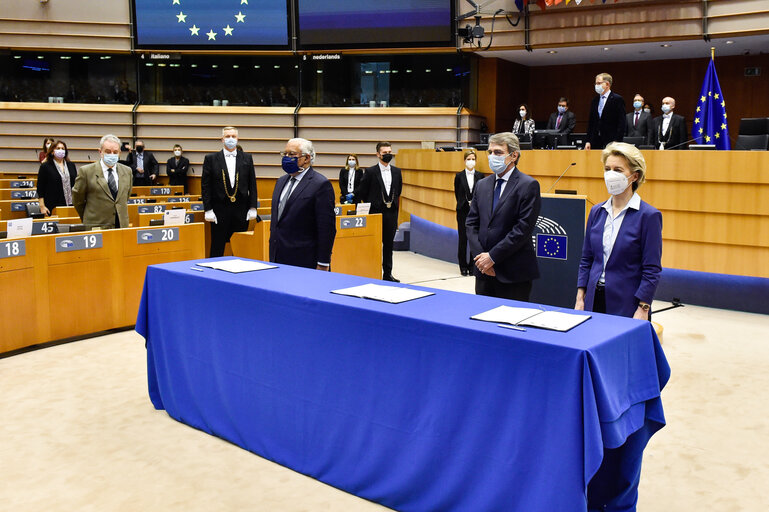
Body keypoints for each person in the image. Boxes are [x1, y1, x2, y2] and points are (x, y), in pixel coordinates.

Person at [574, 141, 662, 511]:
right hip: (593, 303)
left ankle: (620, 472)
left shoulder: (648, 216)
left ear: (634, 176)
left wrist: (642, 308)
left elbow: (651, 268)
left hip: (628, 309)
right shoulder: (596, 212)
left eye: (617, 169)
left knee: (623, 385)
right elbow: (586, 258)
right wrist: (580, 296)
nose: (610, 175)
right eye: (607, 167)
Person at [466, 132, 541, 301]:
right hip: (484, 273)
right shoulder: (482, 184)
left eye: (498, 152)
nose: (492, 156)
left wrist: (492, 257)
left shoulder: (528, 185)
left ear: (513, 155)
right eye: (490, 152)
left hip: (513, 273)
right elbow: (471, 224)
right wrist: (482, 261)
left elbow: (522, 229)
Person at [269, 138, 336, 270]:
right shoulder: (281, 181)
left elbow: (326, 229)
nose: (287, 158)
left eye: (292, 154)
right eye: (285, 154)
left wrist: (323, 262)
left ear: (306, 158)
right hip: (278, 257)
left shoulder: (320, 184)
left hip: (305, 260)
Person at [201, 126, 259, 258]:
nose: (230, 139)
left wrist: (253, 207)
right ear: (222, 139)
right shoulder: (210, 158)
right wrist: (208, 209)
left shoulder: (247, 158)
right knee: (217, 244)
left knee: (240, 244)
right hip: (218, 209)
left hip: (241, 209)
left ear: (238, 139)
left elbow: (252, 184)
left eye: (233, 136)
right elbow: (205, 186)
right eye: (227, 136)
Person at [356, 141, 403, 282]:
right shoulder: (370, 172)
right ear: (378, 154)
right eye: (385, 153)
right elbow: (361, 192)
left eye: (390, 152)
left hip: (391, 213)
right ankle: (372, 272)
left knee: (388, 246)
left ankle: (387, 274)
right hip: (375, 213)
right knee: (374, 245)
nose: (388, 155)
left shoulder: (397, 171)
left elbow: (398, 190)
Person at [72, 134, 132, 229]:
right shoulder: (86, 171)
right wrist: (89, 217)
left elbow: (125, 197)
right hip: (96, 226)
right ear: (100, 152)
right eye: (108, 152)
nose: (112, 155)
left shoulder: (127, 171)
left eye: (115, 152)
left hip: (121, 226)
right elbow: (77, 200)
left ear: (119, 153)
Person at [454, 149, 486, 276]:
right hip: (462, 211)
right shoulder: (459, 176)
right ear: (464, 161)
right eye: (468, 159)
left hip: (476, 212)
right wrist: (464, 203)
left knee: (474, 239)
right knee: (463, 239)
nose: (471, 161)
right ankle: (463, 266)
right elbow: (457, 193)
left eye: (473, 159)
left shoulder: (480, 176)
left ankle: (473, 266)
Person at [585, 73, 626, 150]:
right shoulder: (595, 100)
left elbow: (622, 122)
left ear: (607, 84)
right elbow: (591, 122)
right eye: (595, 83)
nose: (596, 86)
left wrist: (617, 141)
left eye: (599, 83)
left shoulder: (617, 99)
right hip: (595, 140)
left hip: (612, 141)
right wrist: (588, 141)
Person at [36, 140, 77, 216]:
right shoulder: (45, 166)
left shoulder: (71, 165)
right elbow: (40, 188)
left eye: (63, 148)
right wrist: (42, 206)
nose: (60, 150)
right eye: (58, 148)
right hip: (52, 205)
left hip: (71, 205)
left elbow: (76, 184)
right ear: (52, 152)